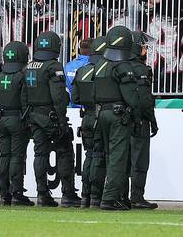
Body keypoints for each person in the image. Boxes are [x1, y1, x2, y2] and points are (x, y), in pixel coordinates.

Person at [23, 32, 78, 207]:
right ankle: (68, 194)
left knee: (40, 154)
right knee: (64, 151)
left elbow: (23, 96)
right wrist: (61, 119)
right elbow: (59, 96)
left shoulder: (28, 67)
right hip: (52, 116)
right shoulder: (54, 66)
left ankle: (42, 193)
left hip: (34, 115)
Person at [94, 25, 145, 211]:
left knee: (109, 156)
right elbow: (132, 97)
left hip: (102, 114)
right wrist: (138, 117)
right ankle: (109, 198)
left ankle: (112, 196)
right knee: (118, 157)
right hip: (118, 115)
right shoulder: (122, 66)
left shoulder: (100, 64)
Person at [72, 36, 107, 208]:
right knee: (99, 157)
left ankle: (85, 195)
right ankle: (95, 196)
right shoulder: (103, 71)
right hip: (99, 116)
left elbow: (75, 97)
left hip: (86, 116)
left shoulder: (81, 70)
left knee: (89, 156)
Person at [0, 40, 31, 206]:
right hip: (18, 118)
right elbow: (25, 100)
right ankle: (16, 191)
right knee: (17, 157)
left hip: (2, 119)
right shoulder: (22, 76)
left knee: (4, 156)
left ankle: (4, 192)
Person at [126, 31, 159, 209]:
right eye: (145, 46)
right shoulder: (143, 70)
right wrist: (152, 120)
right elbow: (145, 100)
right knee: (140, 160)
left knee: (121, 160)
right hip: (139, 122)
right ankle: (137, 197)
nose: (146, 50)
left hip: (122, 120)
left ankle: (120, 195)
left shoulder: (119, 66)